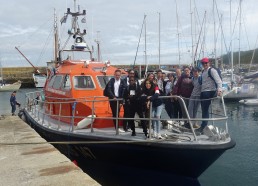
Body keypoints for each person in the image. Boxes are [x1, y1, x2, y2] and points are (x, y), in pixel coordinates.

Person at [196, 57, 222, 134]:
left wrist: (219, 90)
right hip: (204, 91)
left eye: (206, 63)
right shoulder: (203, 72)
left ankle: (203, 126)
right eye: (203, 63)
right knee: (204, 109)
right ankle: (203, 126)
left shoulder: (212, 70)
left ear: (209, 63)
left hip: (209, 91)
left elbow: (219, 81)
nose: (205, 64)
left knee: (205, 109)